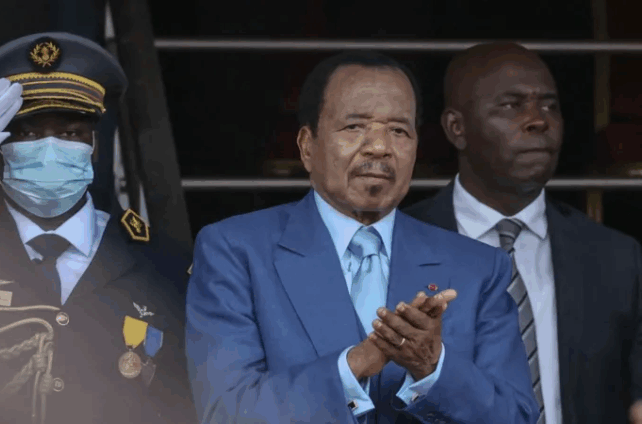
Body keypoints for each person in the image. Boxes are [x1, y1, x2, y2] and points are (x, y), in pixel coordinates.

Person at [185, 50, 539, 424]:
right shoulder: (235, 251)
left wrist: (433, 368)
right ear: (307, 146)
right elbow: (225, 412)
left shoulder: (477, 268)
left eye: (398, 130)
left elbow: (516, 417)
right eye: (354, 127)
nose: (379, 147)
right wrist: (355, 364)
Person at [0, 32, 196, 424]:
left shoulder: (165, 266)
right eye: (28, 133)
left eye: (70, 133)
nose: (49, 149)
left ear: (95, 145)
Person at [404, 42, 642, 424]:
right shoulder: (394, 246)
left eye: (550, 106)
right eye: (511, 105)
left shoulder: (616, 258)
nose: (538, 121)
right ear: (456, 128)